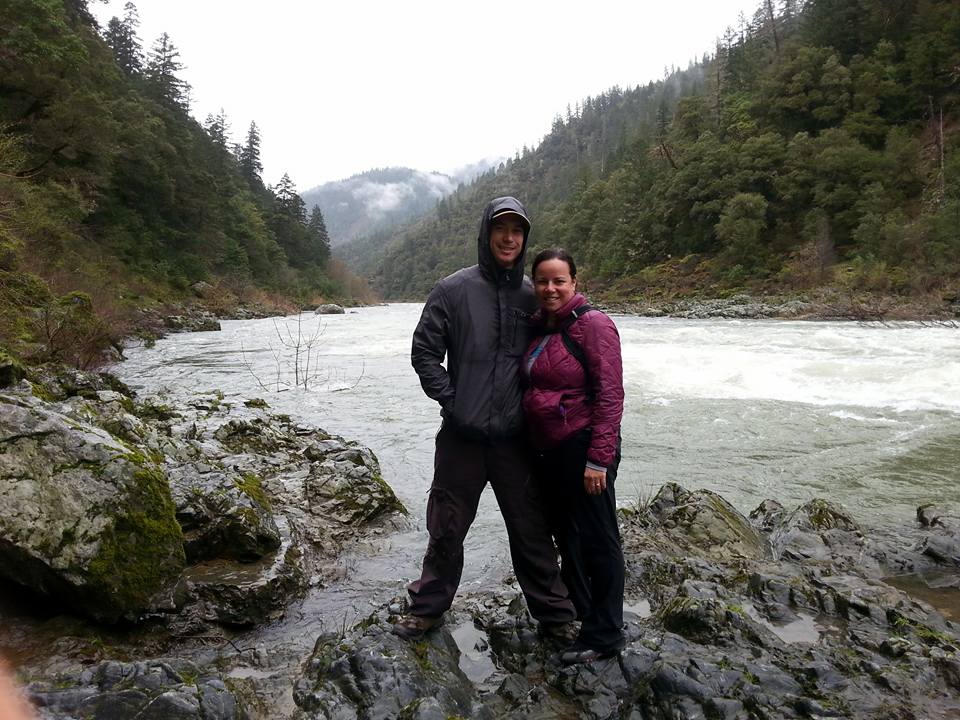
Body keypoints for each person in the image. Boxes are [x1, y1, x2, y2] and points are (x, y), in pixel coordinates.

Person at [393, 197, 576, 639]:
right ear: (486, 234)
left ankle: (557, 616)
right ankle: (429, 608)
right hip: (462, 437)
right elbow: (424, 353)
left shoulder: (535, 296)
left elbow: (562, 356)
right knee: (447, 528)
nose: (509, 238)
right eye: (501, 229)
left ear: (524, 238)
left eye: (517, 231)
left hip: (517, 440)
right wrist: (453, 402)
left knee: (532, 529)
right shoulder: (453, 290)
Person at [522, 248, 626, 664]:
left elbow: (610, 395)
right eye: (543, 281)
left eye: (558, 281)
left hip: (584, 448)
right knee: (569, 537)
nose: (550, 288)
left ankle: (605, 634)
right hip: (550, 450)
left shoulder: (595, 326)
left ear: (574, 283)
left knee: (600, 540)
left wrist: (599, 460)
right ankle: (585, 616)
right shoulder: (541, 327)